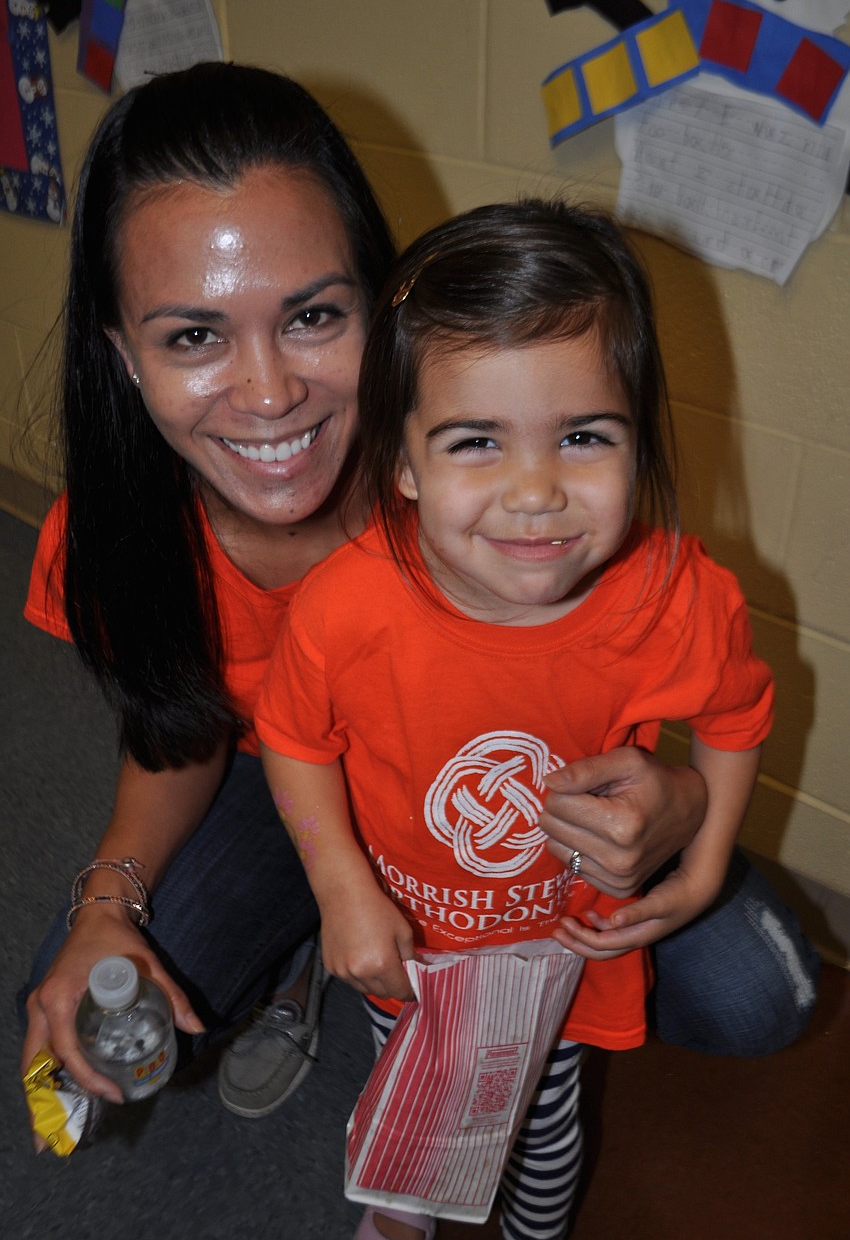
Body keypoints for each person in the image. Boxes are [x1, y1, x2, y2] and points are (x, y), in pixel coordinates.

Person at [18, 64, 816, 1131]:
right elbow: (181, 728)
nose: (269, 393)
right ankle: (308, 947)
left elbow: (636, 669)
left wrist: (685, 802)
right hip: (286, 780)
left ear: (383, 306)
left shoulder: (501, 497)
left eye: (313, 315)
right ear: (123, 354)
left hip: (506, 794)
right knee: (86, 1013)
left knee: (761, 995)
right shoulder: (112, 533)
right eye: (194, 336)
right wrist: (107, 900)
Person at [253, 198, 781, 1240]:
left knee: (541, 1122)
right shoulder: (346, 608)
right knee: (414, 1091)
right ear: (403, 464)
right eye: (475, 441)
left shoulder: (676, 597)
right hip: (410, 944)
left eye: (582, 436)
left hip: (560, 957)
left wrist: (704, 865)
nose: (535, 491)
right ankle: (400, 1214)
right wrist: (340, 887)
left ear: (639, 438)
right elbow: (293, 738)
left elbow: (736, 713)